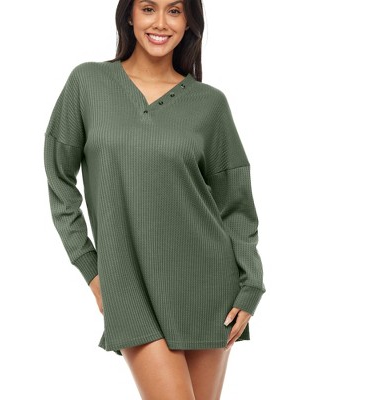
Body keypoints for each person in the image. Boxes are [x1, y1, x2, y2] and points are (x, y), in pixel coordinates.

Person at [43, 0, 266, 398]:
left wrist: (251, 284)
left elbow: (236, 205)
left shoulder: (210, 104)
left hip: (208, 288)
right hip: (127, 285)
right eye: (148, 8)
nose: (161, 22)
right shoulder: (87, 83)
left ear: (189, 22)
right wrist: (91, 269)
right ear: (129, 15)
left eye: (175, 11)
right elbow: (59, 181)